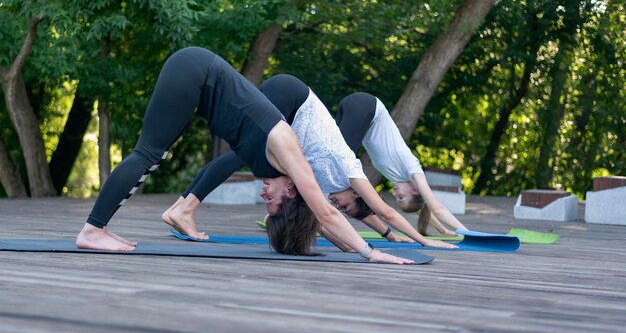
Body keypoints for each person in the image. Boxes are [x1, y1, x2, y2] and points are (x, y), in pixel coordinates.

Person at [76, 47, 411, 264]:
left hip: (197, 79)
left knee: (154, 154)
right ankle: (93, 230)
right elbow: (325, 214)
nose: (262, 194)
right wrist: (371, 252)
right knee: (148, 154)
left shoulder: (282, 175)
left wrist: (349, 249)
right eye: (272, 202)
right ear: (291, 191)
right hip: (195, 70)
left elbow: (315, 222)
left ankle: (101, 228)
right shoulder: (290, 154)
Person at [163, 74, 455, 251]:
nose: (339, 206)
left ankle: (179, 207)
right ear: (355, 193)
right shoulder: (351, 169)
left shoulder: (325, 187)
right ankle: (185, 208)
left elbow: (334, 223)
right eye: (346, 204)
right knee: (239, 153)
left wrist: (384, 238)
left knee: (240, 152)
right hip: (292, 96)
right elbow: (383, 211)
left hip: (288, 106)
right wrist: (421, 240)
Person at [331, 92, 467, 237]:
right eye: (400, 197)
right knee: (335, 162)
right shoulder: (412, 169)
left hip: (351, 106)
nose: (395, 194)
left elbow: (419, 208)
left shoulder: (398, 178)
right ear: (415, 190)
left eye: (396, 199)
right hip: (366, 107)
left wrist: (444, 231)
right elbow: (437, 208)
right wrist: (467, 233)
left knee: (329, 157)